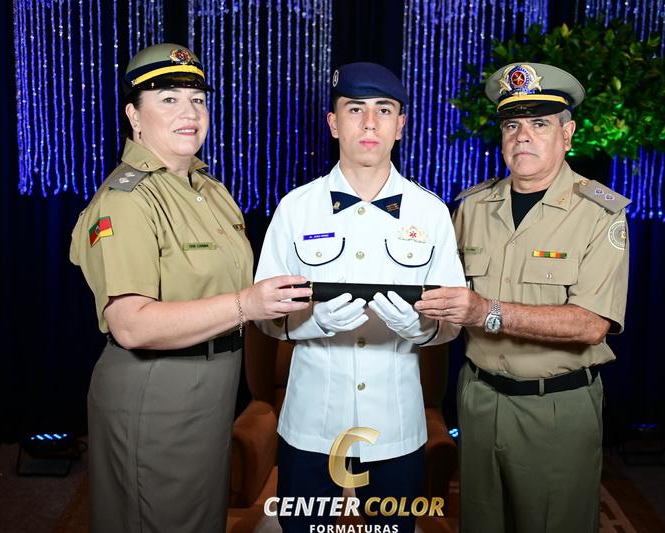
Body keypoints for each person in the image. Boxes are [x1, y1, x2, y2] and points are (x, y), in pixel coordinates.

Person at [69, 43, 311, 533]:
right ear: (134, 116)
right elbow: (131, 325)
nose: (190, 112)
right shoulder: (127, 201)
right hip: (157, 391)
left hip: (214, 387)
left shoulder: (209, 190)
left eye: (197, 99)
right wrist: (248, 303)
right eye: (169, 99)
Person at [415, 62, 631, 533]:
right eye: (512, 125)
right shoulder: (471, 207)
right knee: (480, 522)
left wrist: (486, 311)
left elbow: (591, 324)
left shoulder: (600, 213)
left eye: (539, 124)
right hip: (478, 398)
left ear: (567, 134)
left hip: (555, 407)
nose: (523, 137)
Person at [254, 62, 466, 532]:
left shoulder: (431, 213)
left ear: (400, 125)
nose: (370, 123)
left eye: (383, 110)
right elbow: (263, 315)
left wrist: (421, 327)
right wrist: (313, 322)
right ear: (334, 123)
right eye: (355, 109)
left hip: (395, 426)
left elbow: (454, 318)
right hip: (310, 424)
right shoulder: (295, 209)